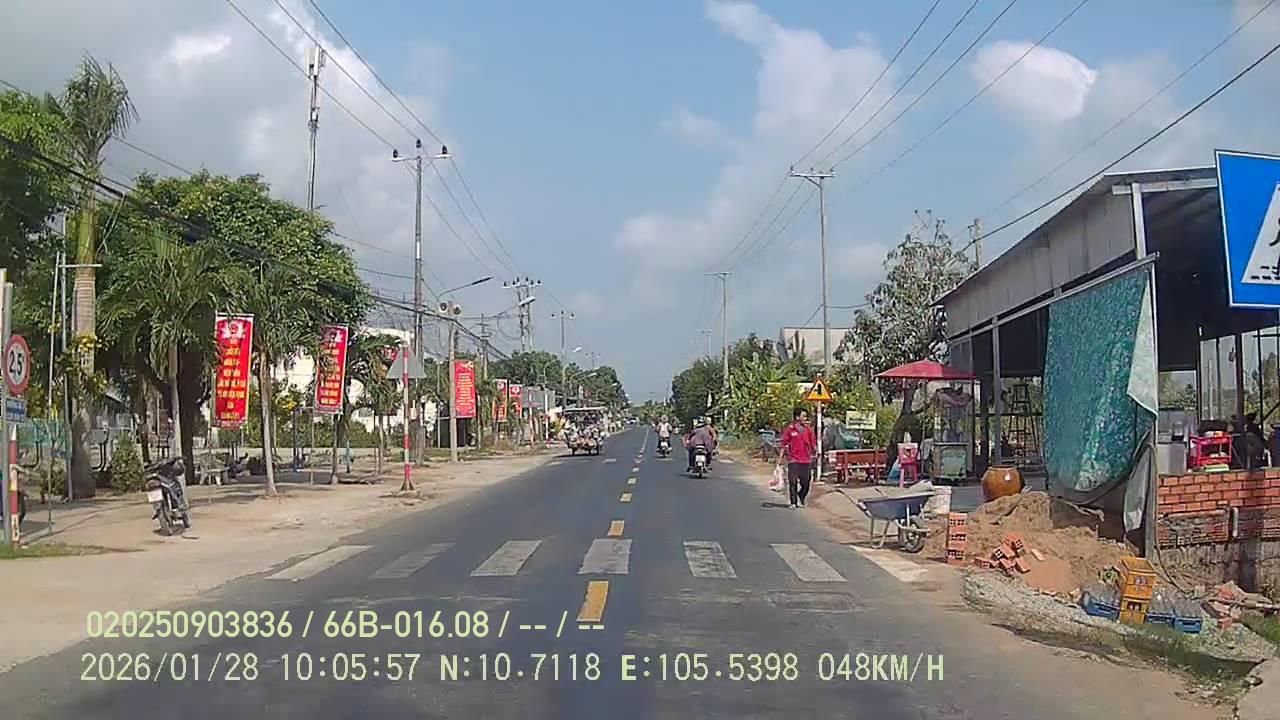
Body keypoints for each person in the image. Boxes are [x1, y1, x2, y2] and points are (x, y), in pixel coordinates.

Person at [777, 407, 817, 508]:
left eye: (806, 416)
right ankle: (793, 502)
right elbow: (784, 444)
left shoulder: (808, 430)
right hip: (793, 459)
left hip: (806, 460)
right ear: (797, 417)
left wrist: (816, 452)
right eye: (803, 416)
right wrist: (780, 459)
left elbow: (813, 443)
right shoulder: (790, 430)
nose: (805, 418)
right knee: (792, 481)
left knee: (806, 482)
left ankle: (801, 496)